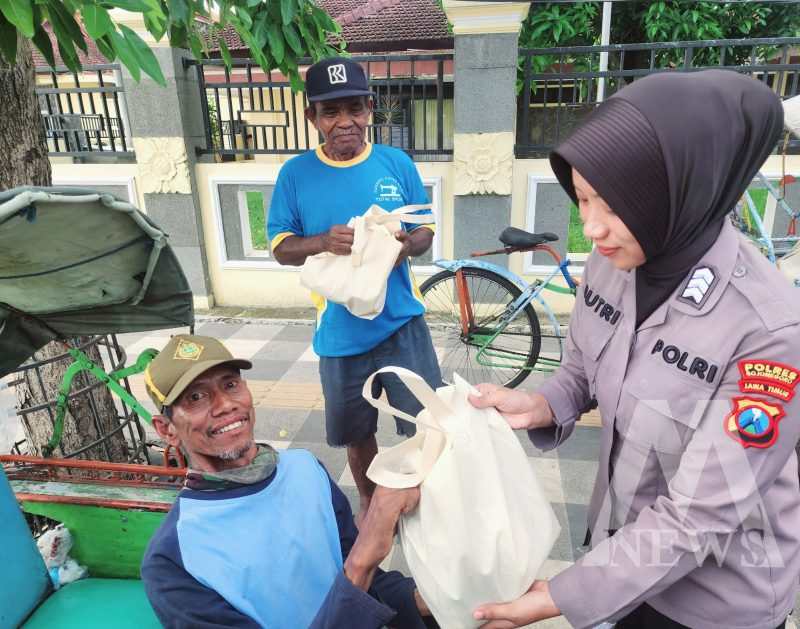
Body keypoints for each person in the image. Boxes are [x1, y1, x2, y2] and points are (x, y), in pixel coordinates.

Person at [469, 70, 800, 629]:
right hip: (620, 555)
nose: (592, 228)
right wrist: (546, 402)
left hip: (714, 598)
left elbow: (700, 517)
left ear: (678, 191)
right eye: (582, 200)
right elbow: (584, 366)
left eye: (614, 205)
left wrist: (559, 597)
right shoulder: (613, 261)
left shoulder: (768, 332)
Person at [139, 334, 433, 628]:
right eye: (196, 397)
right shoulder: (171, 561)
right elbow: (358, 568)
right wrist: (364, 556)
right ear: (167, 430)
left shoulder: (305, 468)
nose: (226, 404)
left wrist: (429, 602)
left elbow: (370, 585)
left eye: (230, 384)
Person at [267, 56, 442, 521]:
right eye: (330, 112)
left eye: (353, 109)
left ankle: (425, 498)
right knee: (355, 430)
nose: (343, 122)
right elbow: (281, 247)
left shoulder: (395, 163)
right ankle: (369, 502)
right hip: (339, 333)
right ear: (313, 119)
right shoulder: (296, 175)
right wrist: (322, 241)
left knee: (426, 420)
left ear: (369, 107)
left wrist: (401, 247)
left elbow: (425, 233)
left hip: (402, 323)